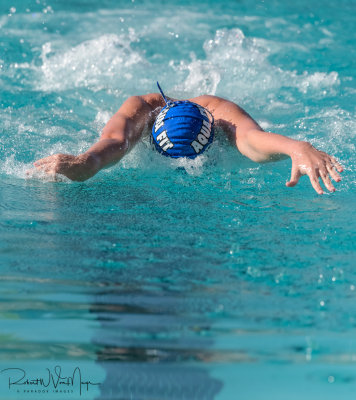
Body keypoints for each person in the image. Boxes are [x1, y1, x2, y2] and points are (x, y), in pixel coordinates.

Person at [32, 83, 343, 194]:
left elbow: (251, 140)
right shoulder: (141, 109)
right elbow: (116, 141)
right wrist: (87, 161)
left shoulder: (220, 114)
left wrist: (297, 148)